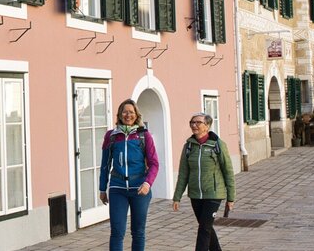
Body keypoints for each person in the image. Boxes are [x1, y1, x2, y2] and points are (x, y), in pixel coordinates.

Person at [99, 99, 159, 251]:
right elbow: (105, 165)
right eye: (125, 112)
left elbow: (154, 164)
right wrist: (102, 188)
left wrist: (147, 183)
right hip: (117, 189)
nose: (128, 115)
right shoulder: (111, 136)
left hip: (140, 189)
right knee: (117, 232)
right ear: (119, 114)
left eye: (131, 112)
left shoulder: (144, 135)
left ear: (136, 114)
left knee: (138, 232)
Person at [172, 113, 235, 251]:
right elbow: (183, 174)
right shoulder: (188, 146)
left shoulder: (218, 145)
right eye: (192, 122)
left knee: (204, 229)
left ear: (207, 126)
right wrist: (177, 197)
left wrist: (231, 197)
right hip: (195, 194)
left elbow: (228, 172)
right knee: (206, 226)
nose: (194, 125)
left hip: (214, 193)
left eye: (198, 122)